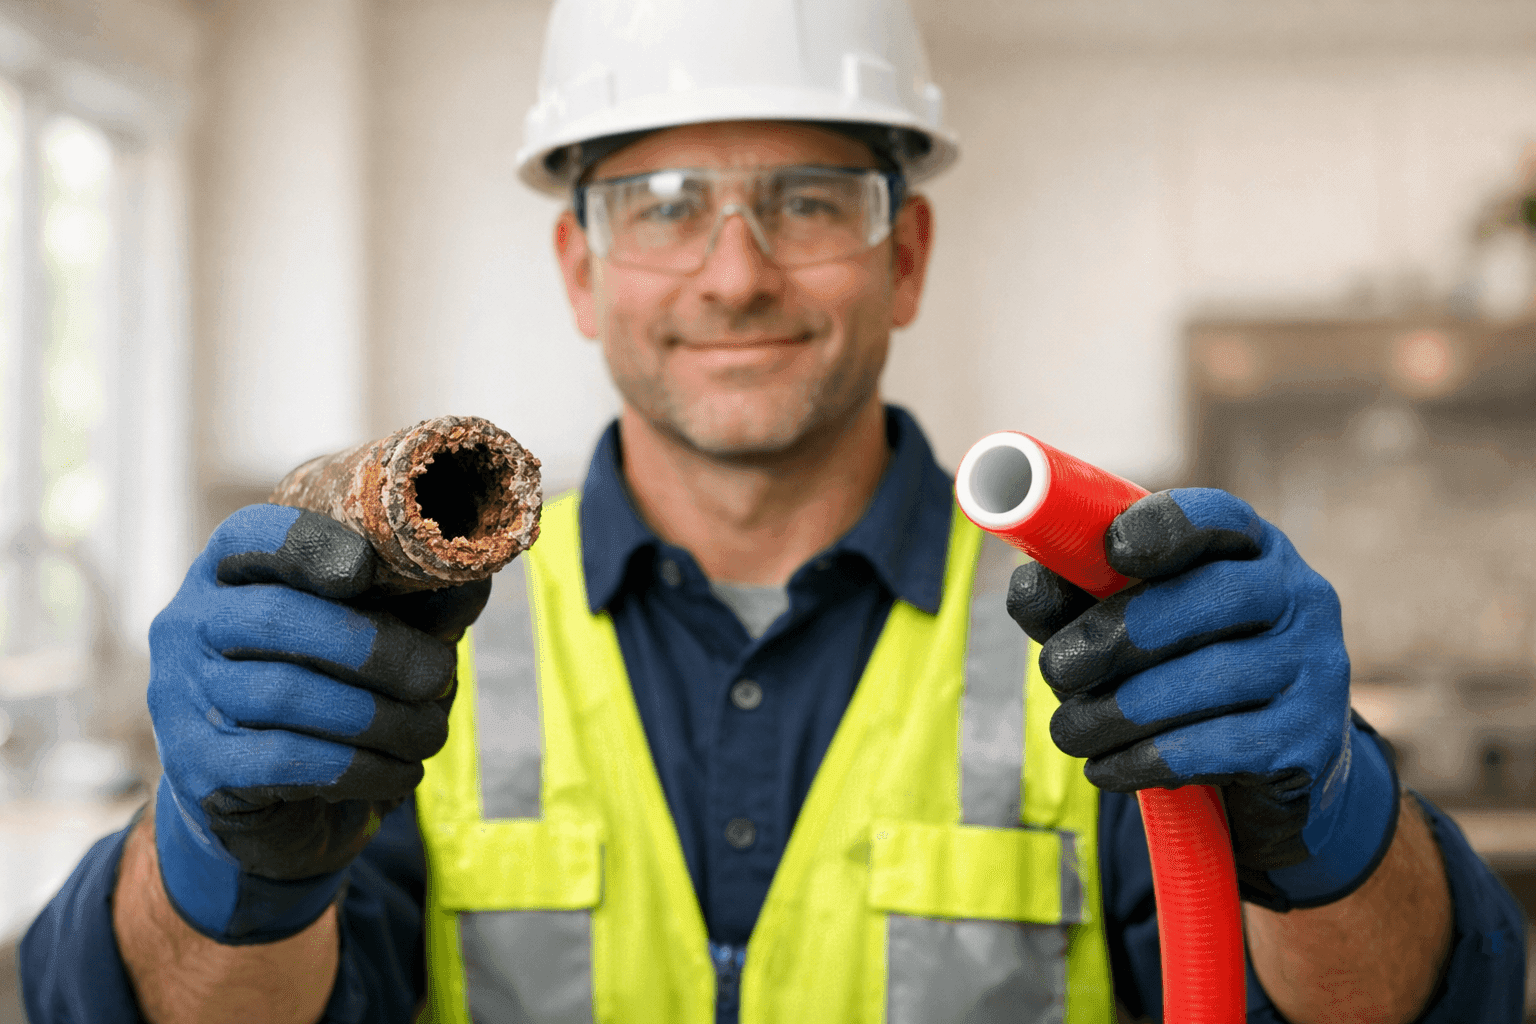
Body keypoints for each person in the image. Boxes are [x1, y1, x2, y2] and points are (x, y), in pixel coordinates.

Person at [20, 0, 1526, 1020]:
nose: (734, 273)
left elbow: (1418, 1003)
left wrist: (1332, 817)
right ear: (579, 270)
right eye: (662, 204)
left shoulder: (1105, 638)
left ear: (907, 250)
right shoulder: (407, 647)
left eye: (807, 197)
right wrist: (217, 860)